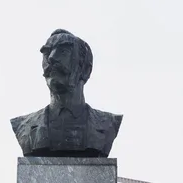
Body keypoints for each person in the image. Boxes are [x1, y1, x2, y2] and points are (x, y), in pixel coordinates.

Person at [10, 29, 123, 158]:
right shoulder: (24, 126)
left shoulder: (108, 124)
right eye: (47, 53)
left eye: (63, 51)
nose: (51, 58)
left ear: (85, 69)